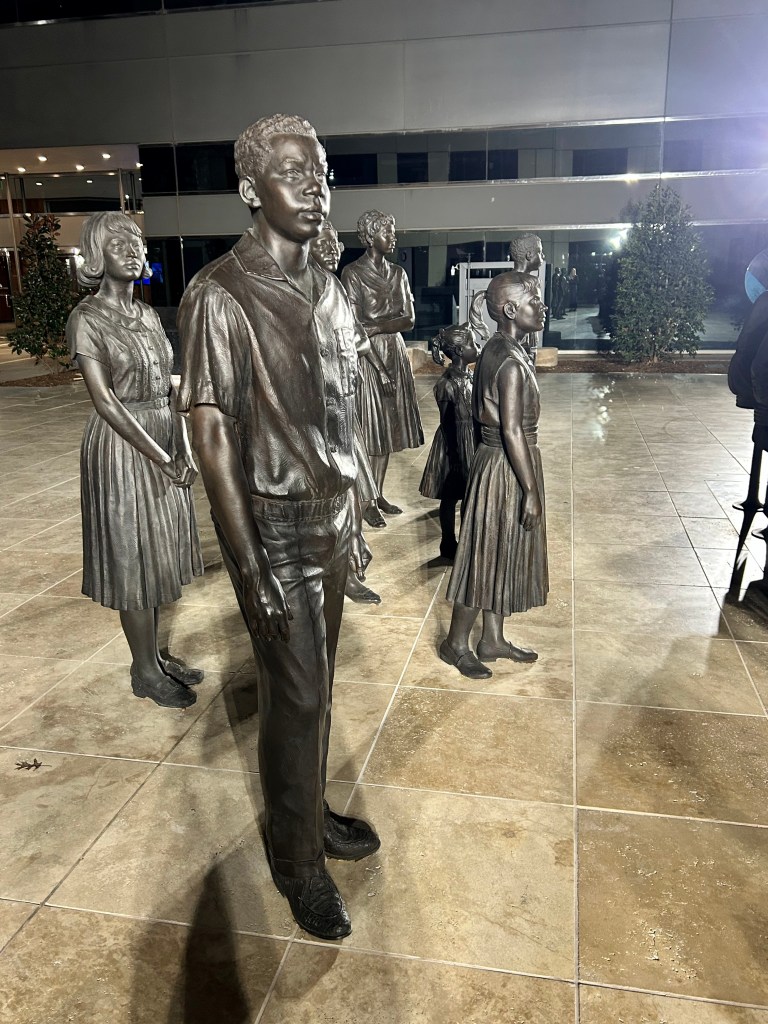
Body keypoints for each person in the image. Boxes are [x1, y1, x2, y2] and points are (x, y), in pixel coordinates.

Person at [177, 114, 378, 942]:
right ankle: (296, 864)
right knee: (294, 697)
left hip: (330, 516)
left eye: (320, 173)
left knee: (317, 688)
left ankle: (309, 816)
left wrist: (355, 507)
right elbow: (211, 434)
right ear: (249, 189)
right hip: (275, 530)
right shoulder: (219, 293)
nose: (313, 189)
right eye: (293, 173)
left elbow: (340, 411)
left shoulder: (330, 289)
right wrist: (251, 566)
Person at [66, 212, 203, 709]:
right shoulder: (86, 318)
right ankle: (144, 671)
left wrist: (183, 444)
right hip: (122, 449)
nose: (131, 249)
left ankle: (154, 656)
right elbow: (105, 401)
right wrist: (163, 456)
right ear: (96, 254)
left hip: (161, 434)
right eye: (116, 242)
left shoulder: (146, 314)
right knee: (134, 559)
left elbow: (169, 387)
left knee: (157, 553)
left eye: (137, 241)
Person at [441, 272, 549, 680]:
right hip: (506, 465)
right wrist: (531, 490)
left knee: (503, 549)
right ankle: (455, 643)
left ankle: (493, 639)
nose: (541, 307)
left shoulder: (501, 348)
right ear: (510, 310)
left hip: (502, 461)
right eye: (534, 301)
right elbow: (512, 430)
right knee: (484, 555)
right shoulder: (509, 363)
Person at [309, 219, 392, 603]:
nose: (333, 250)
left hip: (342, 406)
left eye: (336, 244)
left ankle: (349, 571)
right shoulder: (297, 289)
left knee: (352, 490)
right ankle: (325, 574)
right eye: (324, 244)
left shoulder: (334, 288)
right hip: (313, 414)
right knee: (323, 502)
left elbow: (358, 338)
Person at [341, 210, 423, 525]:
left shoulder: (398, 273)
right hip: (367, 357)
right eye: (387, 232)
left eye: (393, 231)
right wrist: (379, 334)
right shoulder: (352, 273)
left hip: (394, 352)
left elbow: (409, 320)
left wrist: (376, 326)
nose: (393, 237)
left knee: (387, 428)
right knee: (370, 428)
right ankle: (366, 500)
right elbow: (353, 326)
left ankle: (378, 493)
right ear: (370, 236)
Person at [419, 323, 480, 561]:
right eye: (472, 344)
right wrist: (455, 457)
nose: (477, 347)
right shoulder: (446, 384)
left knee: (468, 493)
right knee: (452, 495)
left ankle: (467, 540)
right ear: (459, 351)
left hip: (471, 439)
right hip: (453, 444)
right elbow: (447, 423)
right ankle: (448, 541)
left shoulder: (471, 377)